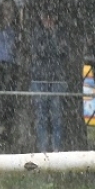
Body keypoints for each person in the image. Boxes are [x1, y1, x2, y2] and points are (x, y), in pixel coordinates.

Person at [26, 8, 68, 153]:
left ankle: (56, 149)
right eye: (45, 16)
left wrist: (54, 35)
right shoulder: (36, 33)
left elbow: (62, 52)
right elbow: (39, 52)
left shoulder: (61, 33)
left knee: (57, 116)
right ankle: (42, 149)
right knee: (41, 116)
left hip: (57, 80)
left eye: (51, 16)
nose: (48, 20)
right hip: (39, 79)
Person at [0, 0, 22, 149]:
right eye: (5, 8)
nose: (8, 12)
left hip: (12, 65)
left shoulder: (16, 29)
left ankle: (6, 131)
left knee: (9, 100)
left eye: (10, 9)